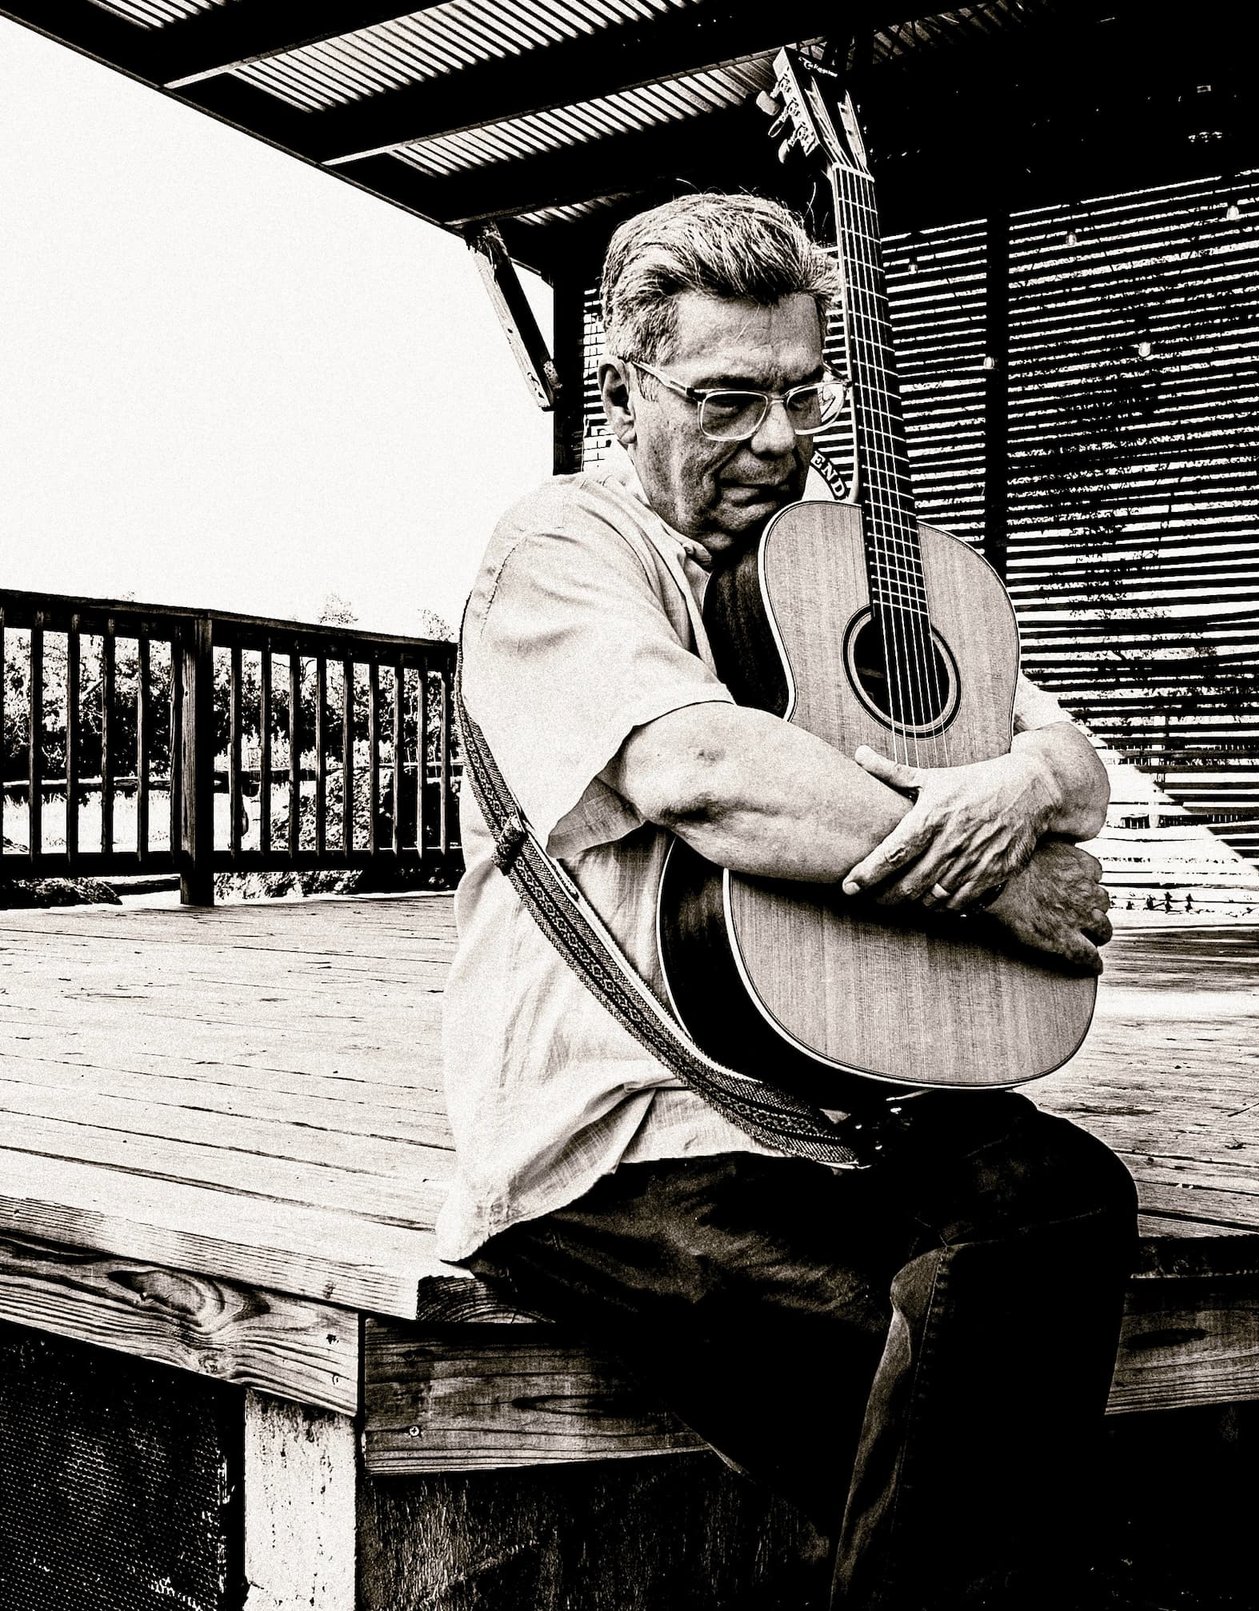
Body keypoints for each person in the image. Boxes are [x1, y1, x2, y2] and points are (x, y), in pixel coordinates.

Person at [439, 191, 1137, 1610]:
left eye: (802, 397)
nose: (775, 439)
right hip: (617, 1132)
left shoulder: (828, 560)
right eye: (724, 400)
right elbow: (706, 773)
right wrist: (996, 879)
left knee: (1063, 1202)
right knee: (922, 1354)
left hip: (837, 1105)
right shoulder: (560, 552)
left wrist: (1017, 788)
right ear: (624, 390)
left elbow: (1070, 757)